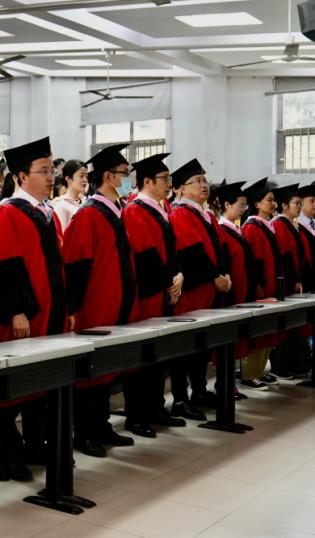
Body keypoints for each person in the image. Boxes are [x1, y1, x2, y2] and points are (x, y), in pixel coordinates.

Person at [0, 137, 63, 479]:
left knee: (40, 383)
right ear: (20, 176)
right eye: (43, 171)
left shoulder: (47, 212)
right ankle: (9, 455)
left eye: (52, 170)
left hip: (50, 311)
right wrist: (16, 312)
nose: (51, 177)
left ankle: (35, 445)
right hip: (25, 316)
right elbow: (4, 264)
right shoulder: (7, 212)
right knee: (13, 387)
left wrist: (66, 308)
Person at [64, 144, 142, 454]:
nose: (129, 179)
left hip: (117, 304)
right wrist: (74, 308)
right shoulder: (89, 214)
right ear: (109, 176)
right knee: (90, 374)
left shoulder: (116, 210)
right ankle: (84, 433)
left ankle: (101, 425)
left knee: (107, 370)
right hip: (95, 306)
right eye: (125, 173)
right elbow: (76, 265)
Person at [122, 152, 187, 427]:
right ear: (147, 181)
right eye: (164, 178)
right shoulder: (135, 209)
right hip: (148, 293)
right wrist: (168, 282)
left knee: (159, 354)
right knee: (142, 355)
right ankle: (137, 414)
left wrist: (178, 275)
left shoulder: (161, 208)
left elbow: (171, 251)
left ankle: (156, 408)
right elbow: (144, 254)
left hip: (163, 289)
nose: (169, 183)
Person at [168, 159, 229, 420]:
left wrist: (225, 274)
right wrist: (216, 276)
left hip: (210, 290)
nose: (204, 185)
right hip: (192, 291)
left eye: (205, 181)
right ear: (181, 188)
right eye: (197, 182)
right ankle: (180, 398)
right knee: (184, 347)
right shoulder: (180, 213)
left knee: (202, 345)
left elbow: (221, 248)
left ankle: (200, 391)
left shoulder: (206, 214)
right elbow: (191, 252)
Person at [212, 181, 256, 391]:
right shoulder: (221, 230)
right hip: (230, 293)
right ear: (227, 205)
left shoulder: (236, 229)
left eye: (245, 205)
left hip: (242, 291)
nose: (243, 209)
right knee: (227, 341)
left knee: (238, 341)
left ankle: (230, 384)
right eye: (240, 205)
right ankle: (224, 385)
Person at [240, 179, 283, 390]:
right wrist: (257, 284)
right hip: (260, 286)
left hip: (272, 284)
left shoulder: (268, 224)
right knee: (258, 332)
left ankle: (260, 370)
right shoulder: (251, 226)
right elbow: (253, 259)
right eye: (269, 200)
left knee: (268, 330)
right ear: (256, 204)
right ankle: (249, 374)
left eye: (274, 200)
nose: (273, 204)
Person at [270, 184, 311, 377]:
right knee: (283, 325)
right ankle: (280, 365)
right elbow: (284, 254)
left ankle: (295, 362)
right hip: (285, 282)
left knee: (294, 324)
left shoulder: (292, 224)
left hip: (295, 280)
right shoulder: (279, 223)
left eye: (301, 203)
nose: (300, 207)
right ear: (284, 205)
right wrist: (294, 279)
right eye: (296, 203)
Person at [52, 159, 87, 230]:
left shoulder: (86, 201)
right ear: (68, 178)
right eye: (81, 176)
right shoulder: (61, 205)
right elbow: (62, 234)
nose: (85, 180)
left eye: (86, 176)